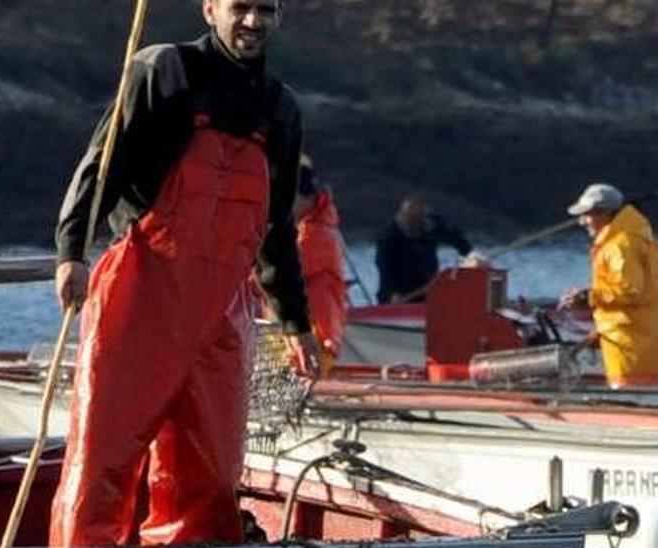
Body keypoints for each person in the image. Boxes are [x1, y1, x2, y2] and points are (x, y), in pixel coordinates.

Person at [50, 0, 320, 543]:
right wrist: (71, 251)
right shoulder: (161, 69)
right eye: (239, 7)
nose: (252, 21)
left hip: (221, 318)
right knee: (102, 463)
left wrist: (296, 322)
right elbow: (100, 164)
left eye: (265, 9)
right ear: (210, 8)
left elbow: (274, 232)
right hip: (139, 298)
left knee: (211, 477)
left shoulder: (282, 109)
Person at [559, 183, 658, 388]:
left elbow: (628, 291)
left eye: (586, 214)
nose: (581, 221)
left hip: (633, 347)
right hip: (645, 342)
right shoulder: (637, 237)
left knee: (634, 401)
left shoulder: (620, 244)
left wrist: (587, 297)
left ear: (605, 213)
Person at [294, 156, 348, 361]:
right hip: (314, 337)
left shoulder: (316, 236)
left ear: (306, 198)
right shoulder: (319, 228)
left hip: (318, 340)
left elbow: (287, 271)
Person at [374, 196, 473, 303]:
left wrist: (470, 255)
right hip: (398, 294)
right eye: (409, 220)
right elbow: (383, 266)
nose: (412, 225)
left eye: (416, 220)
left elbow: (458, 240)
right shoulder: (389, 236)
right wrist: (392, 292)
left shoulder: (432, 227)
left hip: (428, 290)